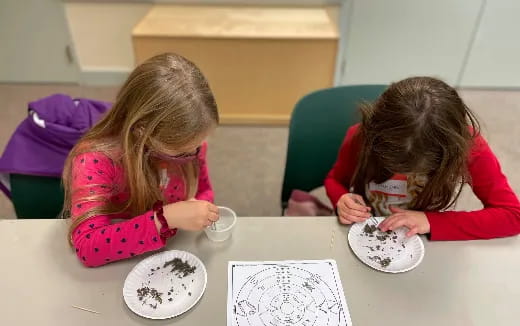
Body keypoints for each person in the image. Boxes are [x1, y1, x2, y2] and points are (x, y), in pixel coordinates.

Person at [62, 53, 219, 267]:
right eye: (182, 150)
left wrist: (201, 207)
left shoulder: (193, 147)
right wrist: (164, 219)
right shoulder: (95, 160)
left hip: (172, 251)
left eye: (197, 146)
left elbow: (204, 191)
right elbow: (88, 246)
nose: (194, 152)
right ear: (142, 131)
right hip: (121, 265)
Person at [325, 76, 520, 240]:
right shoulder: (361, 135)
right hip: (367, 227)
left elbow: (513, 216)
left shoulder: (470, 148)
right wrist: (341, 198)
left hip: (421, 236)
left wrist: (430, 221)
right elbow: (334, 180)